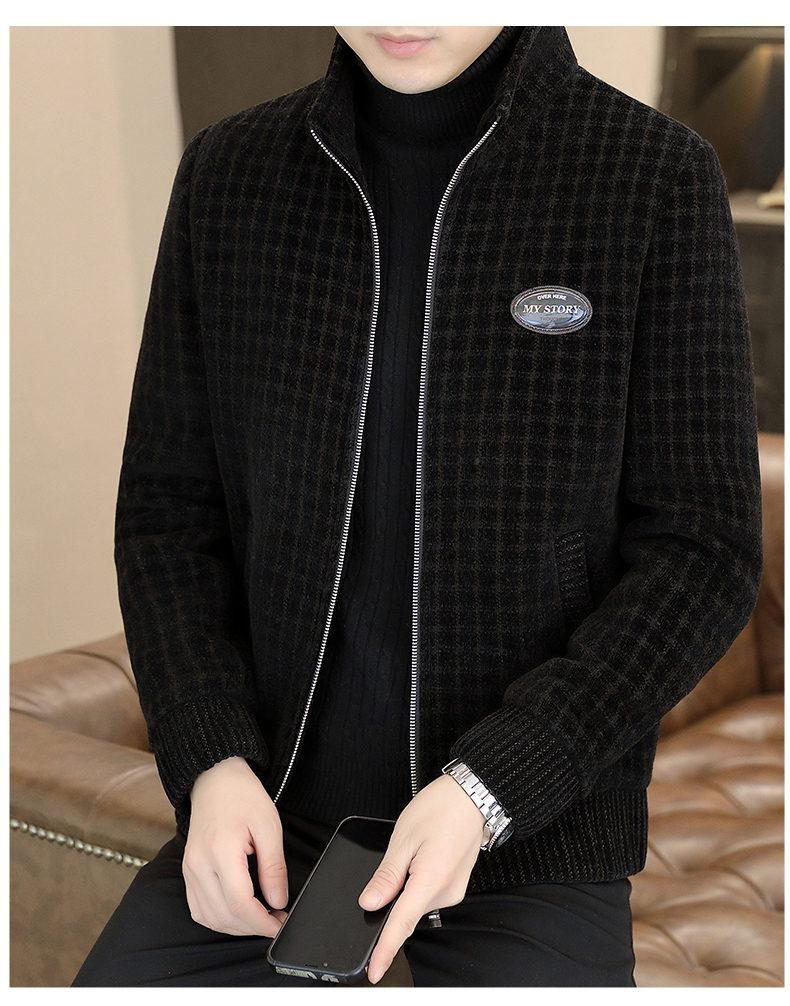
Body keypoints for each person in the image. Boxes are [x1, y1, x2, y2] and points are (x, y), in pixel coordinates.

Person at [73, 26, 762, 987]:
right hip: (270, 817)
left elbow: (704, 552)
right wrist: (208, 762)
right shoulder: (229, 174)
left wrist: (490, 790)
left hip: (528, 839)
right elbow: (166, 516)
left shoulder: (652, 176)